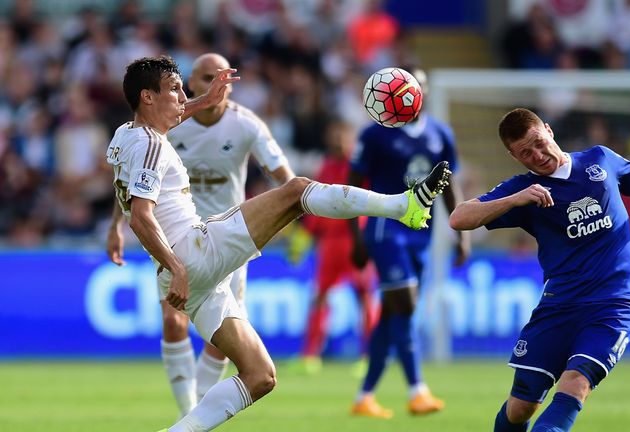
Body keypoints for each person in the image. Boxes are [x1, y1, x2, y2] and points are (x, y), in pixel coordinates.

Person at [105, 55, 451, 432]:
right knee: (297, 190)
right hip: (193, 250)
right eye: (175, 89)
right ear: (148, 97)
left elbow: (162, 129)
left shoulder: (126, 135)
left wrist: (204, 101)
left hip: (190, 273)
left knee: (260, 375)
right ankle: (403, 205)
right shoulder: (152, 146)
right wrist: (177, 267)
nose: (183, 96)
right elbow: (141, 216)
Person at [449, 108, 630, 432]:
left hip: (614, 302)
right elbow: (459, 217)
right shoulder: (525, 190)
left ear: (548, 130)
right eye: (525, 153)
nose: (537, 155)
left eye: (538, 143)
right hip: (559, 305)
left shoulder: (600, 159)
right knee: (520, 408)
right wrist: (514, 200)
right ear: (514, 157)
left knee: (576, 383)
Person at [107, 52, 295, 416]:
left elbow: (283, 176)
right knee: (172, 320)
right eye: (204, 78)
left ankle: (196, 416)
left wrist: (285, 211)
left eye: (218, 78)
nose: (212, 85)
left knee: (221, 342)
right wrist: (117, 223)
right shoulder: (160, 128)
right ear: (191, 82)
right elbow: (134, 189)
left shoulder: (246, 124)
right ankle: (187, 414)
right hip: (178, 239)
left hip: (230, 237)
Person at [349, 68, 470, 418]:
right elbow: (352, 185)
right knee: (405, 302)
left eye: (417, 86)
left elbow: (448, 184)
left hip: (421, 232)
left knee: (394, 311)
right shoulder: (375, 134)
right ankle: (417, 390)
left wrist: (462, 233)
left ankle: (364, 397)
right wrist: (356, 236)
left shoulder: (440, 133)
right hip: (385, 229)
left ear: (424, 90)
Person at [295, 119, 378, 375]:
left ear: (351, 139)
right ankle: (310, 356)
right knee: (320, 296)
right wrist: (305, 235)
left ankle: (370, 356)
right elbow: (316, 203)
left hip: (356, 242)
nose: (338, 141)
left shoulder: (361, 166)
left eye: (342, 136)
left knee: (364, 296)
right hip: (330, 244)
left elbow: (373, 202)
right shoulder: (327, 166)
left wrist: (368, 237)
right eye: (334, 136)